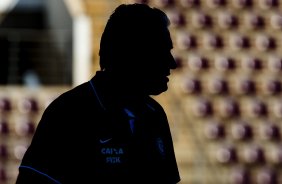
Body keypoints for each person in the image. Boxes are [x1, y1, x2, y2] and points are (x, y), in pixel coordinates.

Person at [16, 3, 181, 184]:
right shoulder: (69, 113)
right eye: (163, 51)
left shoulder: (154, 115)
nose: (172, 63)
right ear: (134, 54)